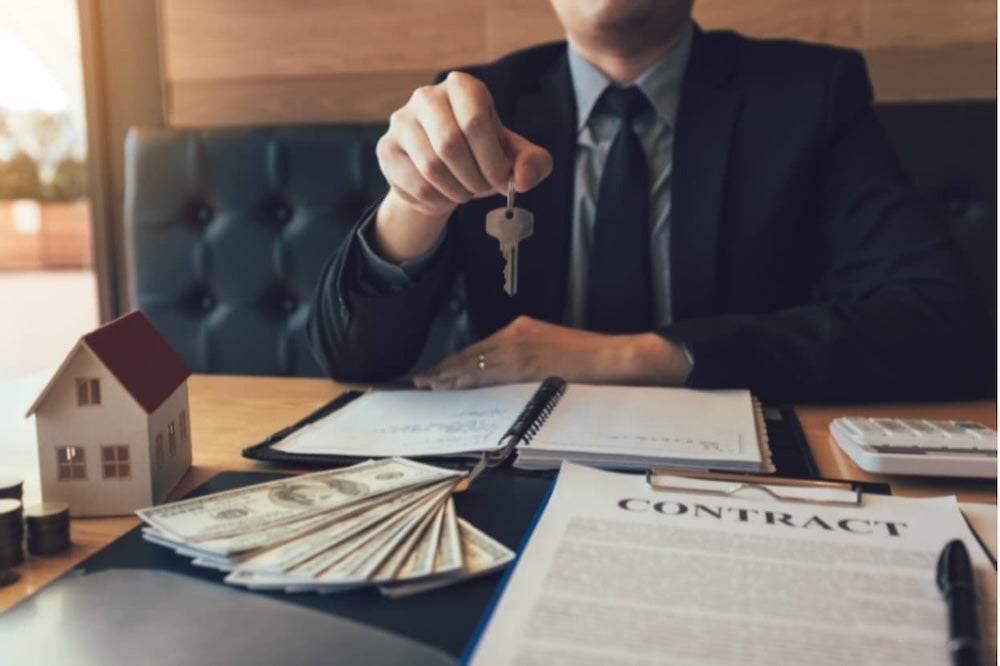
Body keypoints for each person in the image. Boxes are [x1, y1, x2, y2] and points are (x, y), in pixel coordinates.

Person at [306, 0, 985, 403]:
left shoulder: (812, 93)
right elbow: (352, 359)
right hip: (513, 465)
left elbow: (938, 323)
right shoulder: (480, 103)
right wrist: (414, 200)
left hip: (741, 476)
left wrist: (635, 356)